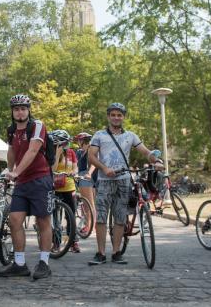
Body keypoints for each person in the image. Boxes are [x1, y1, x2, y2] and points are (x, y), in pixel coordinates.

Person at [87, 102, 164, 265]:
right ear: (108, 116)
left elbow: (145, 152)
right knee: (101, 216)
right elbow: (92, 156)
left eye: (119, 115)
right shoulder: (99, 135)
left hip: (123, 181)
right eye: (113, 115)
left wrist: (157, 160)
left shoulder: (131, 136)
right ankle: (100, 253)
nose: (116, 118)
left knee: (120, 216)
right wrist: (104, 168)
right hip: (104, 180)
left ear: (123, 117)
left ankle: (116, 253)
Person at [0, 95, 53, 279]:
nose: (20, 112)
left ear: (29, 110)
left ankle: (45, 263)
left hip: (40, 178)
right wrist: (10, 170)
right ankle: (20, 264)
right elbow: (12, 151)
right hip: (22, 181)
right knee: (14, 220)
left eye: (23, 108)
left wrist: (16, 172)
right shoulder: (10, 129)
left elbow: (32, 151)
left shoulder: (37, 125)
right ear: (12, 112)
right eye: (16, 109)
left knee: (43, 221)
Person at [51, 130, 80, 253]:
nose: (66, 144)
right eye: (64, 143)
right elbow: (52, 168)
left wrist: (75, 171)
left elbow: (75, 166)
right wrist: (57, 153)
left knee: (71, 215)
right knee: (55, 215)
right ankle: (56, 242)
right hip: (56, 187)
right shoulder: (52, 152)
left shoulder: (71, 152)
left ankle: (73, 240)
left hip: (69, 186)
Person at [75, 132, 96, 236]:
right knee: (84, 203)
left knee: (90, 203)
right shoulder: (81, 152)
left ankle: (91, 227)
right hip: (81, 176)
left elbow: (94, 163)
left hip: (87, 176)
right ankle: (86, 225)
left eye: (78, 140)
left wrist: (89, 173)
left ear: (81, 141)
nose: (78, 143)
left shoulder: (90, 149)